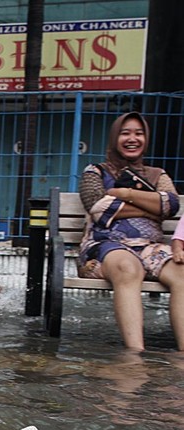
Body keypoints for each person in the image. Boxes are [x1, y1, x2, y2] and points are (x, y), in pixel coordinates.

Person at [78, 111, 184, 352]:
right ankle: (136, 356)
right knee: (128, 268)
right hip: (104, 245)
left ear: (146, 139)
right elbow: (97, 206)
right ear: (115, 137)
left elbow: (170, 205)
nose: (132, 138)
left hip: (150, 247)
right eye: (125, 133)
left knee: (183, 273)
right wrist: (149, 207)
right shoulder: (95, 171)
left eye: (139, 133)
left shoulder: (158, 175)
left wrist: (126, 194)